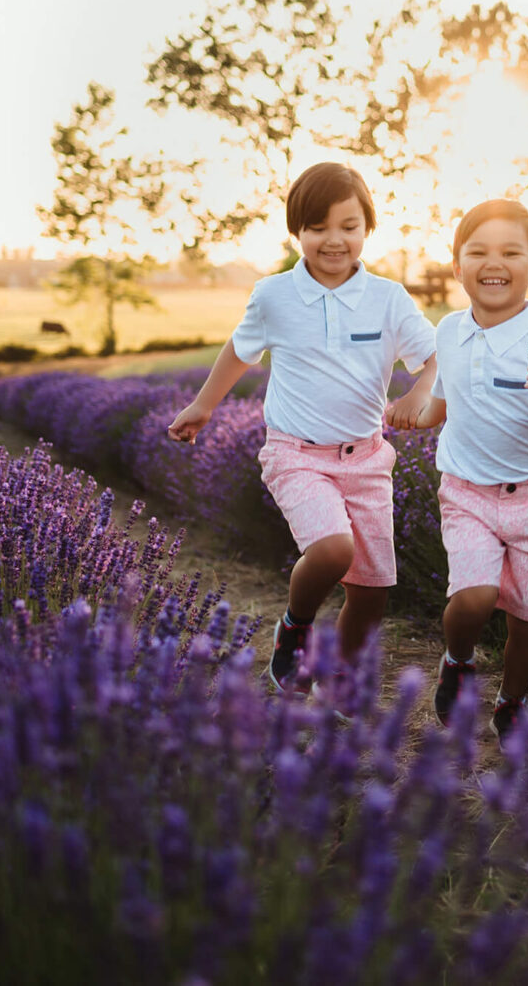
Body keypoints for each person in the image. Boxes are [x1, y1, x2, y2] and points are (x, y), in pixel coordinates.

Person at [167, 162, 437, 696]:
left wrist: (417, 393)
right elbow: (238, 353)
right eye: (317, 227)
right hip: (296, 455)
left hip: (367, 459)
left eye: (348, 226)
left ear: (368, 228)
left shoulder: (388, 299)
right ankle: (295, 626)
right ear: (297, 232)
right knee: (335, 551)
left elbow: (436, 359)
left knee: (372, 588)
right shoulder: (274, 296)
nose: (334, 240)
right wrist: (203, 406)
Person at [401, 199, 528, 740]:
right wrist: (415, 415)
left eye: (512, 252)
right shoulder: (449, 332)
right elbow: (444, 399)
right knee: (475, 597)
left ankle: (510, 702)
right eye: (479, 251)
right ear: (458, 265)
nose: (494, 262)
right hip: (467, 494)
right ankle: (458, 662)